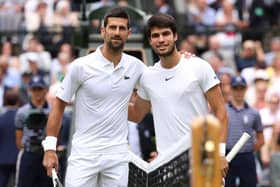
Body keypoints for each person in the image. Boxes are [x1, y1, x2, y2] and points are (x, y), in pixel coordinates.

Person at [42, 8, 146, 187]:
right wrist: (50, 148)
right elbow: (58, 106)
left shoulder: (137, 67)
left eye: (122, 28)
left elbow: (138, 112)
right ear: (103, 30)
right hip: (84, 154)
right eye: (112, 27)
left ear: (128, 33)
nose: (116, 32)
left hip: (117, 155)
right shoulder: (80, 66)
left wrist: (183, 58)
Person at [128, 13, 229, 177]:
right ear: (150, 41)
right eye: (155, 35)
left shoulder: (198, 66)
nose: (161, 39)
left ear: (175, 36)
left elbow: (221, 111)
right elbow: (136, 114)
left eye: (166, 34)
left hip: (201, 160)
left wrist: (220, 153)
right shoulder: (147, 76)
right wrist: (104, 102)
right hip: (167, 167)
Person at [225, 76, 264, 187]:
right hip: (228, 156)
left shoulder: (254, 112)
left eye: (241, 88)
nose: (238, 91)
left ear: (245, 89)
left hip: (246, 156)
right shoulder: (223, 111)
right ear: (231, 89)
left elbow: (261, 139)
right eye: (235, 88)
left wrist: (249, 150)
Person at [15, 75, 52, 187]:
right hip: (29, 153)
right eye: (34, 89)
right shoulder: (22, 112)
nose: (37, 92)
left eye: (40, 89)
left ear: (45, 89)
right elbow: (18, 138)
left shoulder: (51, 111)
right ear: (30, 90)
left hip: (46, 154)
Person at [0, 89, 19, 187]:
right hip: (17, 157)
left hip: (2, 158)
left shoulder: (1, 119)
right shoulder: (21, 118)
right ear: (18, 101)